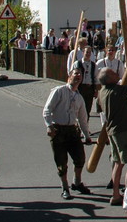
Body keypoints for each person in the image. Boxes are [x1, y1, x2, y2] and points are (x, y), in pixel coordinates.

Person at [43, 68, 93, 200]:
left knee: (80, 158)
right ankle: (65, 188)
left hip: (72, 131)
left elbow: (83, 119)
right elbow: (47, 109)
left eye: (80, 75)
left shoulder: (79, 98)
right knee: (61, 162)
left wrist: (87, 135)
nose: (78, 76)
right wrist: (49, 126)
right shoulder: (59, 91)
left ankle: (76, 182)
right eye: (75, 74)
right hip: (58, 130)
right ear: (69, 76)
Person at [98, 66, 127, 206]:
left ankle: (116, 194)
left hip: (112, 130)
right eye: (113, 73)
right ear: (109, 79)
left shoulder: (102, 92)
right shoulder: (117, 91)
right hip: (124, 130)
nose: (116, 73)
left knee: (118, 163)